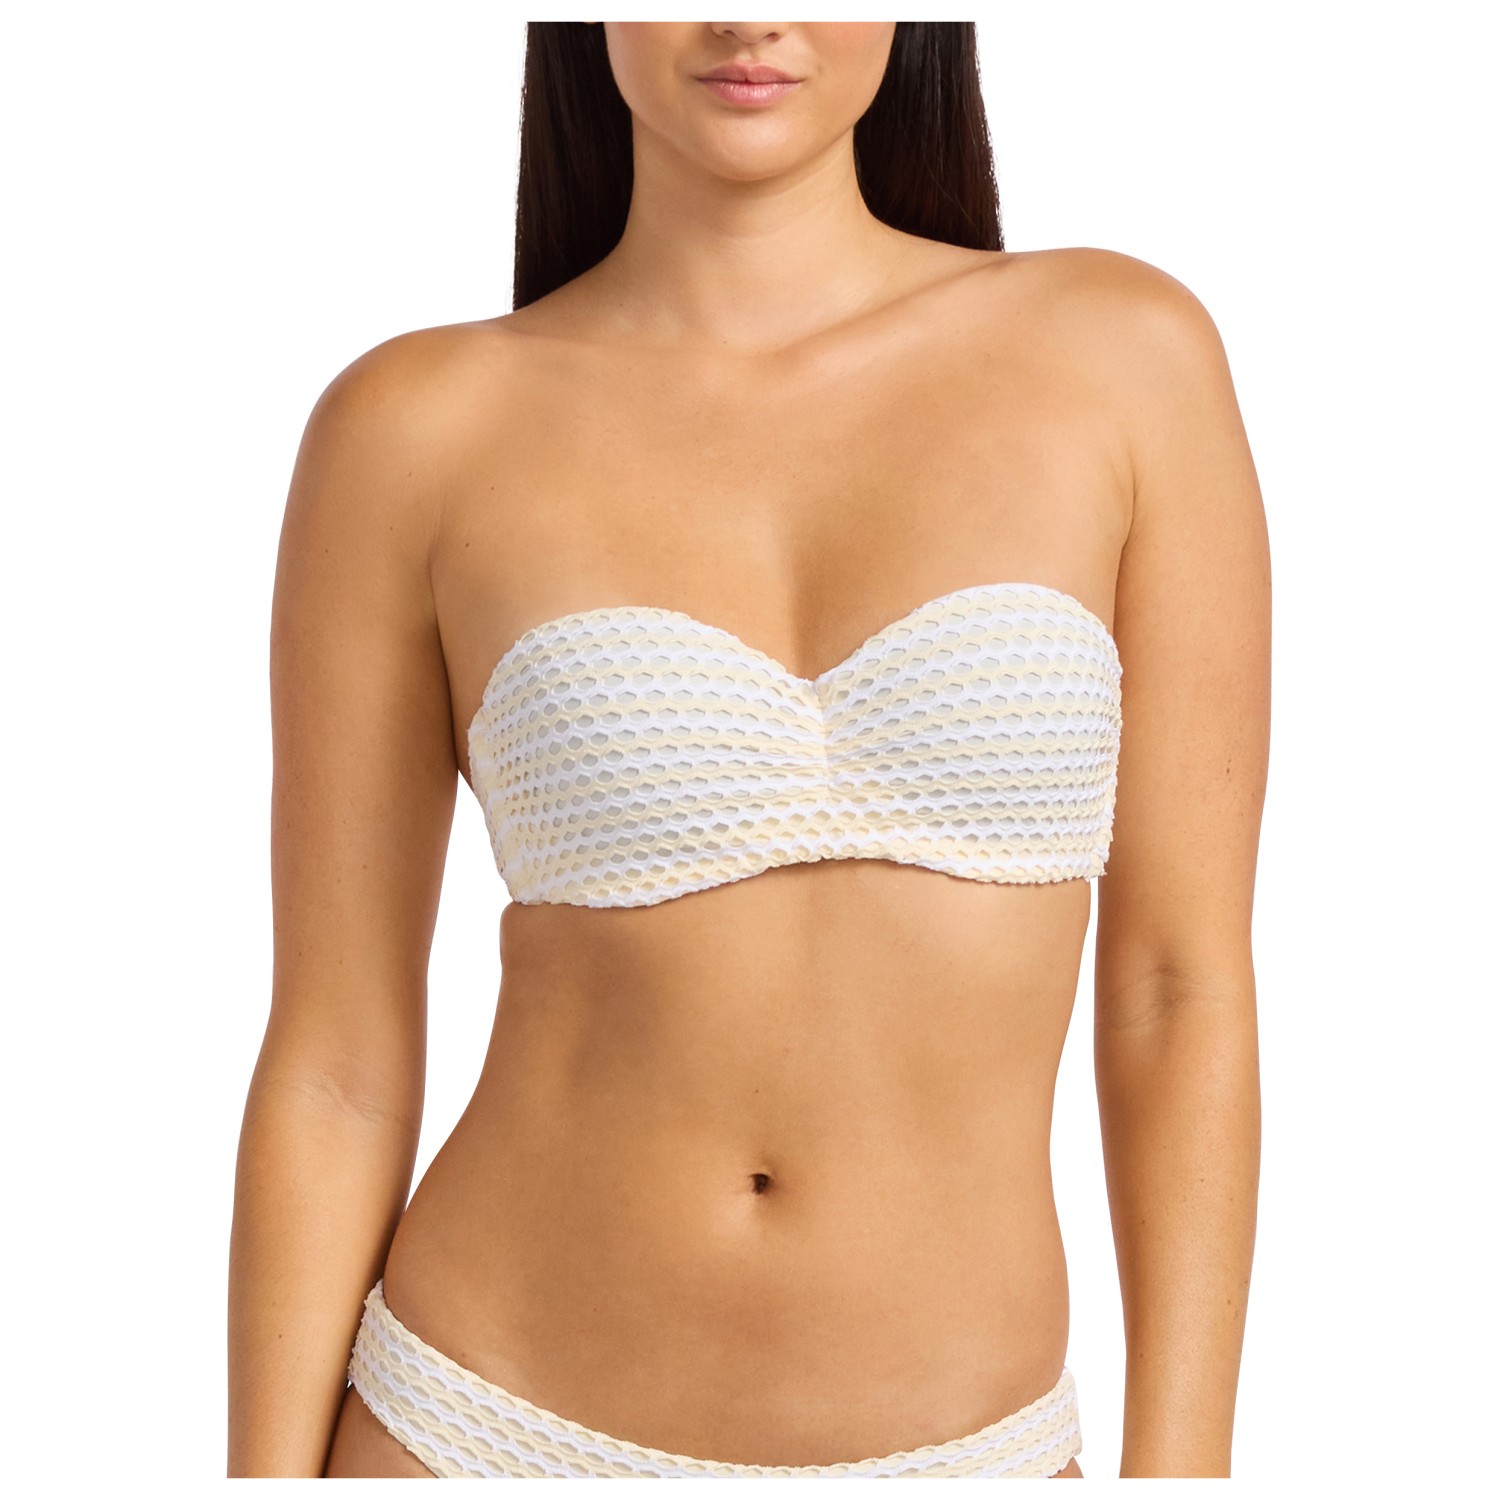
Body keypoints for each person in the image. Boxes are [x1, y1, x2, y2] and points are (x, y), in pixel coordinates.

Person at [228, 20, 1269, 1479]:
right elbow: (337, 1064)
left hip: (961, 1453)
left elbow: (1177, 990)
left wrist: (1186, 1470)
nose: (747, 20)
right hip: (479, 1425)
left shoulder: (1122, 355)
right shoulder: (414, 426)